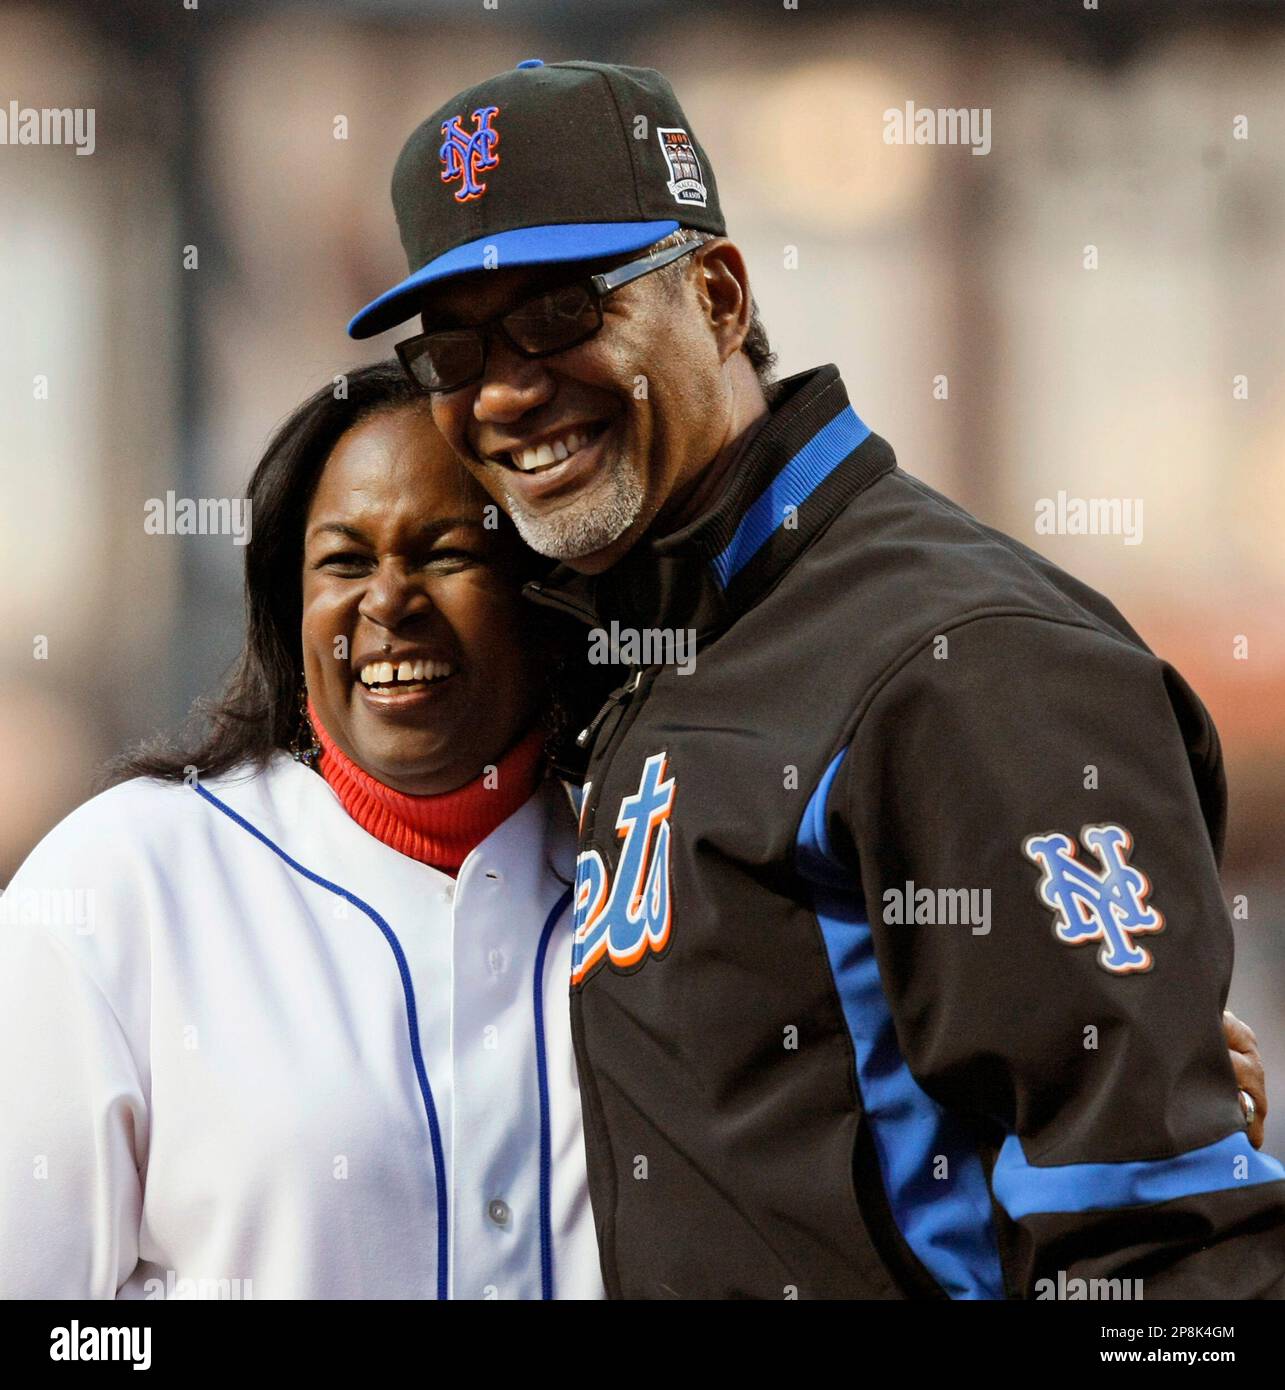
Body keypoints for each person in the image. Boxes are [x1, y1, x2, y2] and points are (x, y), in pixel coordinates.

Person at [348, 59, 1285, 1298]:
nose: (510, 389)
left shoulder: (970, 657)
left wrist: (1139, 1063)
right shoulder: (631, 634)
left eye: (563, 313)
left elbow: (1167, 1248)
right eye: (459, 349)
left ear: (718, 297)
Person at [0, 363, 604, 1300]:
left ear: (543, 594)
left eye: (447, 553)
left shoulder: (641, 873)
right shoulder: (123, 879)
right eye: (345, 562)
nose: (389, 601)